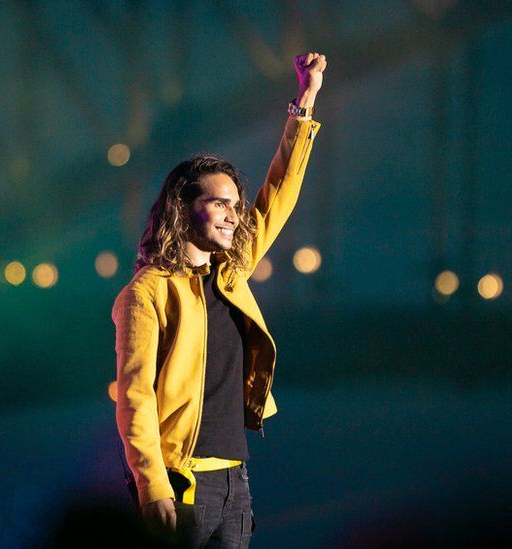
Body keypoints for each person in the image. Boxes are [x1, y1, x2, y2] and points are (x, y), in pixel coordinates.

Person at [112, 52, 326, 547]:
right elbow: (134, 397)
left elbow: (279, 193)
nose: (235, 215)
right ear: (183, 210)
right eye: (219, 204)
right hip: (179, 485)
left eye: (236, 204)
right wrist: (151, 488)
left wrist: (306, 98)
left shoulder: (231, 275)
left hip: (236, 482)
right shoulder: (147, 293)